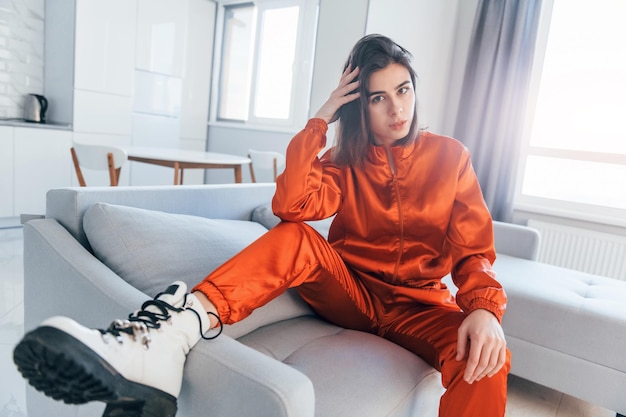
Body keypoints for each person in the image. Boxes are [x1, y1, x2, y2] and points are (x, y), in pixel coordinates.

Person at [13, 34, 510, 417]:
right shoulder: (344, 158)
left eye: (402, 90)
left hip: (420, 309)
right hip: (353, 296)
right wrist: (320, 119)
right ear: (360, 106)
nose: (396, 108)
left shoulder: (451, 157)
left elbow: (473, 252)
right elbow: (292, 204)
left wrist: (484, 309)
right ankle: (170, 335)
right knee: (295, 236)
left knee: (488, 355)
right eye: (377, 98)